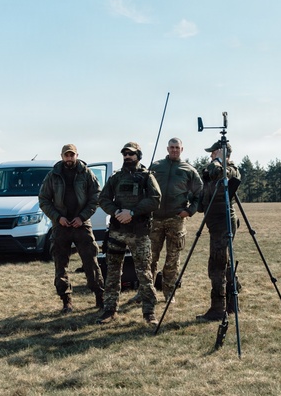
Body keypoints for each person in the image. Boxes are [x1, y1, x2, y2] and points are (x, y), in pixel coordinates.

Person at [97, 142, 162, 325]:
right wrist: (116, 212)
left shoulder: (147, 176)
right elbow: (103, 199)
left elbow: (155, 200)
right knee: (112, 272)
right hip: (117, 231)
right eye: (124, 154)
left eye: (131, 154)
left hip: (139, 232)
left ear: (138, 156)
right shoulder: (116, 177)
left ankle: (149, 312)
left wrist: (132, 213)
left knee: (144, 273)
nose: (127, 157)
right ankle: (109, 309)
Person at [38, 144, 105, 313]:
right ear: (61, 156)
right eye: (66, 155)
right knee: (60, 265)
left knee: (91, 262)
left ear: (77, 155)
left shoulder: (86, 173)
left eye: (72, 155)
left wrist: (82, 217)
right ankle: (66, 301)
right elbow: (44, 199)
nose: (69, 158)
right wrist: (57, 217)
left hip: (82, 225)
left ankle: (100, 296)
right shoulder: (53, 175)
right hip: (61, 226)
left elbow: (96, 196)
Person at [148, 137, 203, 303]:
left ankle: (169, 293)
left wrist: (189, 211)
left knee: (172, 260)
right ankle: (147, 292)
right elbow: (145, 189)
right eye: (172, 147)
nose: (174, 150)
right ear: (167, 148)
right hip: (155, 220)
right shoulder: (156, 167)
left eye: (177, 148)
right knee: (150, 258)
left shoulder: (189, 170)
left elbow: (200, 194)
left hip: (176, 220)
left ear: (182, 149)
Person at [196, 140, 242, 322]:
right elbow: (204, 195)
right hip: (215, 222)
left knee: (216, 266)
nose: (210, 156)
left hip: (224, 222)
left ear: (221, 153)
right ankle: (232, 302)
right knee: (225, 262)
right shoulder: (216, 170)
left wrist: (219, 161)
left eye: (213, 153)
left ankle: (218, 309)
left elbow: (219, 172)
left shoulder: (230, 169)